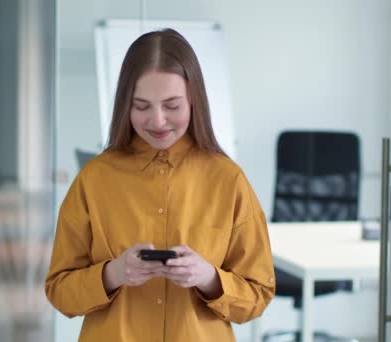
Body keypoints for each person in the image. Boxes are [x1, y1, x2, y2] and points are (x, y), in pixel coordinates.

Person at [45, 28, 275, 341]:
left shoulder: (228, 180)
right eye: (141, 106)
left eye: (172, 105)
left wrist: (208, 277)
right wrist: (113, 273)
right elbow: (59, 291)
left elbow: (257, 294)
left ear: (193, 98)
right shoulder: (93, 180)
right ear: (125, 103)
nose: (157, 120)